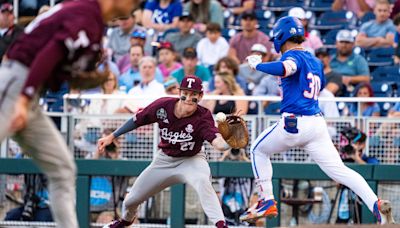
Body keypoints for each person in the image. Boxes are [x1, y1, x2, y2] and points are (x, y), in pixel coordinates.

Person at [241, 16, 395, 224]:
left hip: (294, 122)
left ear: (281, 36)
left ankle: (266, 199)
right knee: (340, 170)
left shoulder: (293, 56)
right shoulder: (314, 60)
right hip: (316, 123)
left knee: (257, 149)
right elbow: (317, 83)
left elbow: (287, 68)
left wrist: (259, 65)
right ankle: (374, 203)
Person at [0, 0, 139, 227]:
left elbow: (55, 75)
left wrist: (83, 77)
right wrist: (23, 99)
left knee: (63, 169)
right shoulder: (87, 14)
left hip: (30, 91)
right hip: (16, 84)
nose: (134, 6)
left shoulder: (93, 20)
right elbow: (49, 52)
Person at [100, 75, 230, 228]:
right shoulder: (163, 106)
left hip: (192, 160)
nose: (188, 98)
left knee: (203, 182)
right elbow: (137, 120)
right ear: (179, 92)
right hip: (164, 160)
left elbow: (218, 144)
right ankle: (125, 221)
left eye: (193, 94)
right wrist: (112, 136)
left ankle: (221, 225)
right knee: (131, 200)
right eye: (185, 93)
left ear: (200, 96)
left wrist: (228, 140)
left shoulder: (203, 116)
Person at [330, 30, 370, 94]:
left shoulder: (359, 60)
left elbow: (366, 79)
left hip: (352, 90)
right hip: (332, 90)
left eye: (347, 42)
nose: (344, 45)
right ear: (336, 43)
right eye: (341, 42)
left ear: (353, 44)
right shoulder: (330, 60)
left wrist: (349, 79)